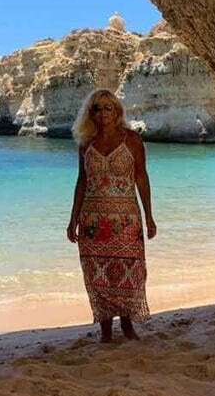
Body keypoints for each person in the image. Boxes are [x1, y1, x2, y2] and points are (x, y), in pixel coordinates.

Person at [67, 89, 157, 342]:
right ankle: (105, 330)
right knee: (97, 274)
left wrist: (149, 216)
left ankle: (128, 325)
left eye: (108, 107)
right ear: (90, 113)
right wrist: (73, 219)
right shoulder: (86, 142)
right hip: (92, 220)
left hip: (127, 219)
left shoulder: (132, 140)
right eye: (97, 107)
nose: (103, 112)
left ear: (117, 111)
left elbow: (141, 177)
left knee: (129, 271)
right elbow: (82, 181)